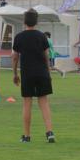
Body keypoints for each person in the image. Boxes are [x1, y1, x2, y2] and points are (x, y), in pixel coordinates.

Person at [12, 9, 56, 143]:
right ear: (36, 22)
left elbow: (15, 57)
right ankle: (49, 132)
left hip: (27, 73)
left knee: (27, 104)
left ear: (24, 21)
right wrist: (48, 72)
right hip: (42, 72)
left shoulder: (19, 37)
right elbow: (46, 56)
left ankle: (26, 136)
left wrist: (15, 73)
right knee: (44, 102)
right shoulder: (42, 36)